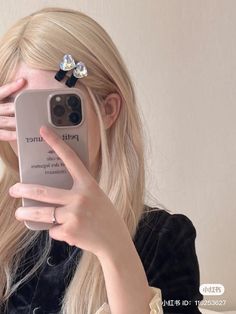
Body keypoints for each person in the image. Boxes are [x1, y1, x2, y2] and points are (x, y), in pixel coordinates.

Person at [0, 7, 203, 314]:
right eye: (21, 113)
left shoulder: (163, 241)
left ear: (108, 110)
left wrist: (116, 252)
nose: (41, 135)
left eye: (57, 110)